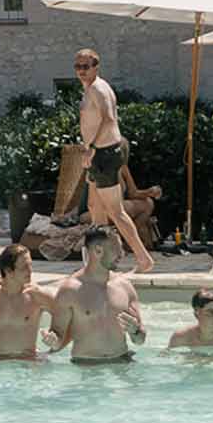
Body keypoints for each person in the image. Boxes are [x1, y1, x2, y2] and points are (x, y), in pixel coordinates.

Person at [74, 48, 155, 271]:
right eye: (78, 66)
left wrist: (91, 147)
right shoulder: (91, 88)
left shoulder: (98, 89)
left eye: (85, 66)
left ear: (96, 67)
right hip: (100, 153)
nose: (81, 71)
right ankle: (100, 261)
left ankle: (143, 259)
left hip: (104, 154)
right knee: (94, 206)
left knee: (115, 212)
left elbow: (109, 119)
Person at [44, 225, 147, 364]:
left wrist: (135, 331)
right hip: (86, 365)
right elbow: (57, 341)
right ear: (98, 250)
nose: (122, 254)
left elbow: (140, 340)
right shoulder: (70, 290)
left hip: (122, 362)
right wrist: (52, 341)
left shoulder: (125, 286)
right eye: (116, 249)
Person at [0, 243, 57, 360]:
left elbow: (67, 318)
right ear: (8, 271)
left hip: (28, 362)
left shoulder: (38, 295)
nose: (30, 271)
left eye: (30, 265)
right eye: (24, 267)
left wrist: (55, 339)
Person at [119, 160, 163, 242]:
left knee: (149, 203)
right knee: (127, 207)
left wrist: (149, 192)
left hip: (122, 205)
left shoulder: (123, 167)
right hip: (105, 208)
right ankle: (131, 240)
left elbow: (133, 193)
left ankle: (131, 239)